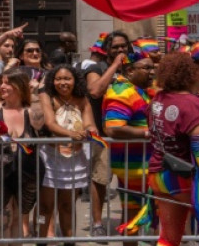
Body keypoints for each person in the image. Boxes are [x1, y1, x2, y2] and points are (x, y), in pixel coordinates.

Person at [148, 48, 199, 246]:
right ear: (194, 72)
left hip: (160, 175)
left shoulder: (159, 99)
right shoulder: (193, 105)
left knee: (168, 239)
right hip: (187, 179)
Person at [0, 69, 41, 240]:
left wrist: (34, 95)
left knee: (18, 220)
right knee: (1, 221)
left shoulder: (30, 110)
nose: (2, 86)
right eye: (2, 82)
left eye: (7, 82)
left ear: (19, 86)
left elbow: (40, 123)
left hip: (26, 172)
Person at [37, 64, 96, 240]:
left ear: (75, 81)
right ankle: (40, 240)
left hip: (75, 158)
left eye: (67, 79)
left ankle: (69, 241)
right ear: (52, 81)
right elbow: (50, 123)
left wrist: (91, 132)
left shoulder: (82, 99)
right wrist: (72, 134)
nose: (63, 83)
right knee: (45, 206)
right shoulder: (46, 95)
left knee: (67, 205)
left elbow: (90, 123)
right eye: (58, 79)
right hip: (50, 157)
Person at [103, 53, 153, 245]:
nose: (152, 72)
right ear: (130, 70)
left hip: (142, 164)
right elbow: (114, 127)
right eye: (146, 68)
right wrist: (147, 134)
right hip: (132, 166)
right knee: (133, 214)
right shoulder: (122, 91)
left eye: (152, 67)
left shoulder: (137, 89)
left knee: (138, 214)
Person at [83, 30, 129, 237]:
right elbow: (94, 91)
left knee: (129, 182)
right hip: (104, 136)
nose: (120, 50)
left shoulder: (132, 69)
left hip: (128, 136)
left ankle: (129, 222)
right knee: (100, 180)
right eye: (116, 47)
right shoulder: (96, 68)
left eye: (123, 46)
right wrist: (114, 67)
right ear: (107, 49)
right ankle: (97, 223)